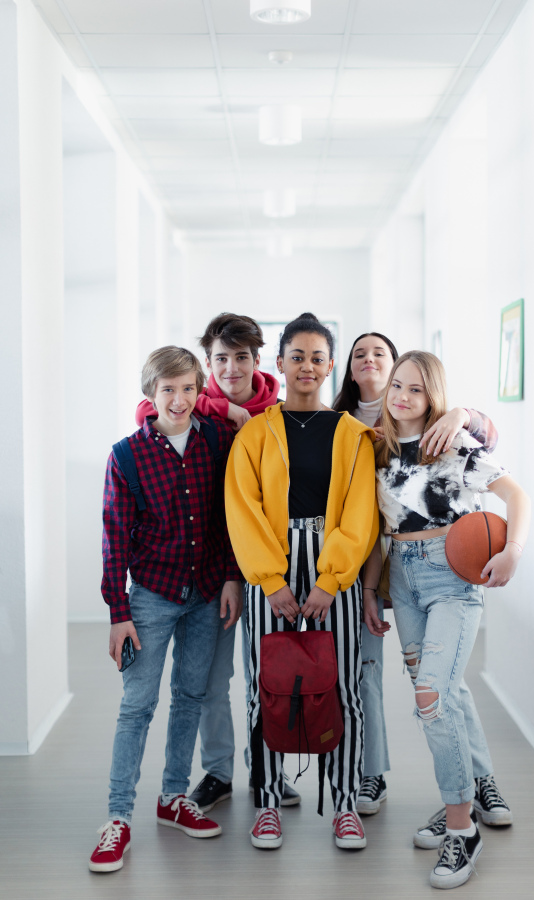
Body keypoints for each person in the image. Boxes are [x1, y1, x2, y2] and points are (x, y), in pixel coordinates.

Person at [363, 350, 530, 890]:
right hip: (404, 582)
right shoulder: (379, 450)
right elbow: (377, 532)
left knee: (431, 699)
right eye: (396, 386)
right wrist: (371, 589)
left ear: (433, 396)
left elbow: (516, 495)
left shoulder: (456, 443)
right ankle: (464, 792)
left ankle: (462, 828)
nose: (402, 396)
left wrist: (514, 550)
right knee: (445, 696)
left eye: (414, 388)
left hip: (454, 577)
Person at [134, 315, 300, 813]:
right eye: (221, 359)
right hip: (215, 568)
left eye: (242, 357)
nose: (232, 367)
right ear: (208, 364)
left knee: (269, 673)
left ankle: (270, 772)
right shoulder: (199, 408)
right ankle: (220, 771)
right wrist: (219, 406)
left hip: (273, 564)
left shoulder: (280, 411)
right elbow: (149, 406)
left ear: (258, 360)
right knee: (211, 680)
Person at [225, 312, 379, 851]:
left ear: (331, 365)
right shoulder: (255, 433)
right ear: (280, 363)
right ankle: (267, 801)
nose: (307, 366)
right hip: (269, 567)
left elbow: (361, 515)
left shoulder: (354, 434)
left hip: (333, 567)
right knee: (263, 688)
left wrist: (332, 580)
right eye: (297, 356)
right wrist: (270, 581)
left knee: (342, 689)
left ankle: (344, 804)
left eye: (318, 357)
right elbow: (241, 509)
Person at [333, 333, 500, 817]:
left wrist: (461, 413)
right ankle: (372, 776)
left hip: (442, 572)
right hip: (378, 569)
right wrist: (366, 585)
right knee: (369, 677)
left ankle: (476, 783)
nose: (368, 360)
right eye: (358, 353)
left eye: (378, 353)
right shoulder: (343, 424)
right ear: (346, 367)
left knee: (441, 686)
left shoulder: (435, 427)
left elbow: (486, 439)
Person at [89, 346, 242, 873]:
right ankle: (117, 818)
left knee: (190, 698)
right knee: (137, 707)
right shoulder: (126, 455)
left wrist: (229, 577)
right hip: (150, 597)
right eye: (167, 390)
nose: (178, 400)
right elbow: (114, 539)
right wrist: (118, 611)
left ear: (201, 391)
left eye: (187, 389)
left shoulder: (220, 441)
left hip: (205, 594)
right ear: (150, 396)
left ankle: (173, 797)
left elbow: (229, 518)